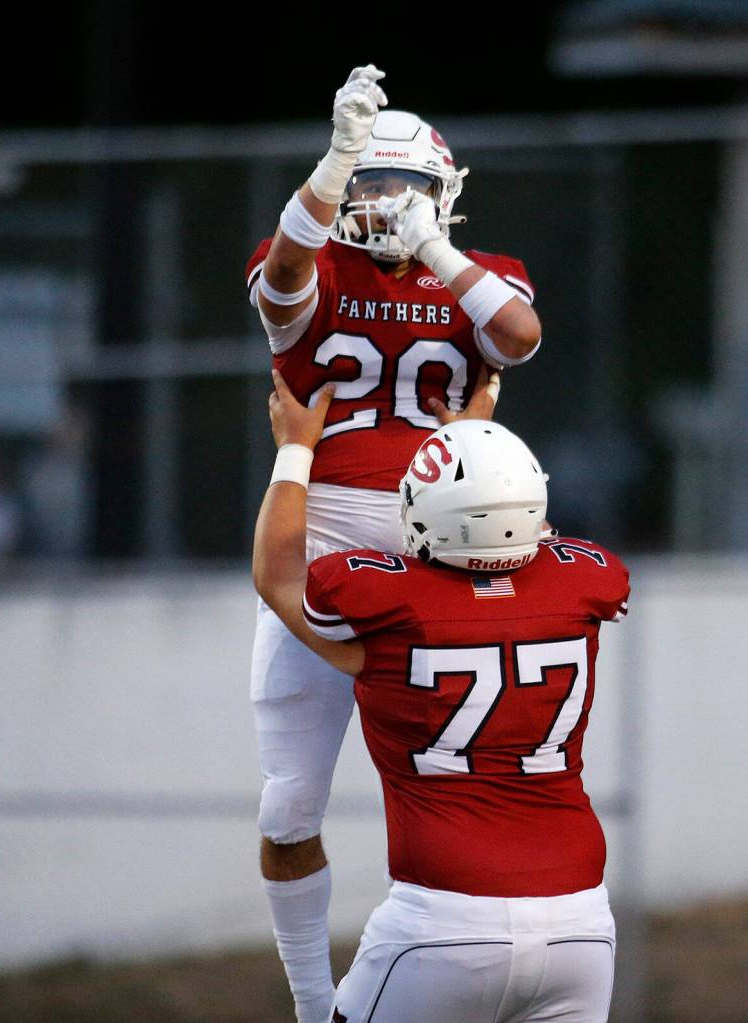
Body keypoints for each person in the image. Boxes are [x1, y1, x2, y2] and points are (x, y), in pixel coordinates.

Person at [245, 64, 542, 1021]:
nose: (386, 205)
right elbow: (285, 283)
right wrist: (333, 164)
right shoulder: (313, 260)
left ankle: (486, 959)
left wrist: (438, 257)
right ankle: (308, 1004)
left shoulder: (481, 276)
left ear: (443, 197)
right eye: (368, 184)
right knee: (289, 804)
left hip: (443, 546)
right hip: (323, 528)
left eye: (404, 187)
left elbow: (522, 335)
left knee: (464, 783)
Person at [253, 371, 630, 1023]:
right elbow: (527, 542)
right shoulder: (584, 580)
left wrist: (295, 447)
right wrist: (474, 445)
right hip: (581, 925)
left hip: (441, 925)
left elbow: (277, 573)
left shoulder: (390, 605)